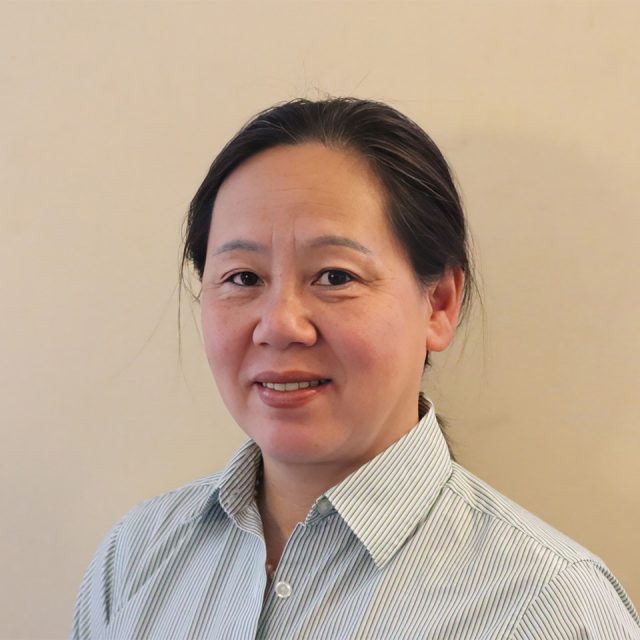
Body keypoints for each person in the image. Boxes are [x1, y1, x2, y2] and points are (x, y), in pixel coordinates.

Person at [70, 97, 640, 639]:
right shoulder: (138, 555)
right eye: (243, 278)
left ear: (439, 303)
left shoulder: (551, 607)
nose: (279, 324)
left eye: (335, 276)